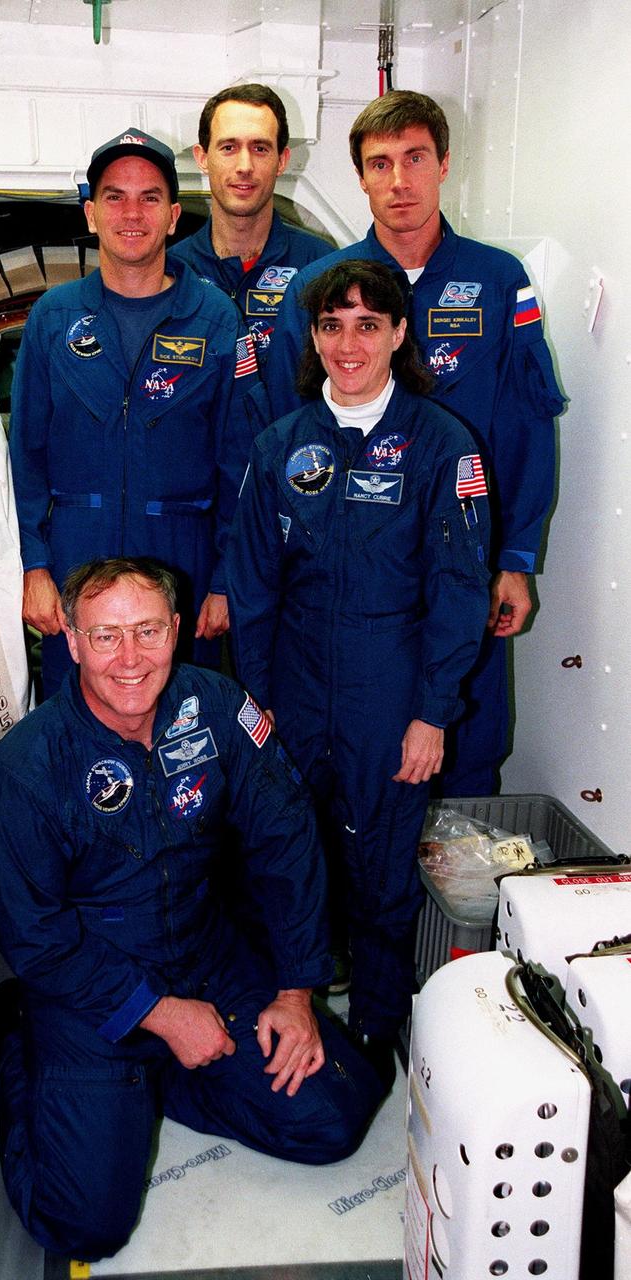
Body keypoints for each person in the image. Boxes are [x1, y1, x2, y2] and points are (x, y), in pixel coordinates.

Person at [0, 556, 385, 1261]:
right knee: (85, 1226)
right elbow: (36, 938)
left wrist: (294, 990)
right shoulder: (26, 766)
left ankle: (157, 1078)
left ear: (176, 629)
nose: (129, 660)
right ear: (70, 641)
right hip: (88, 984)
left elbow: (285, 840)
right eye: (105, 637)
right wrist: (158, 1014)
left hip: (204, 955)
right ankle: (23, 1049)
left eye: (147, 631)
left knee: (333, 1118)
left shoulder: (219, 708)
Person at [226, 261, 491, 1071]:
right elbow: (252, 592)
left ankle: (377, 1029)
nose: (349, 343)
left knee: (382, 872)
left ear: (399, 333)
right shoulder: (280, 447)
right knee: (284, 855)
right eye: (332, 325)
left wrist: (432, 713)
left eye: (368, 324)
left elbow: (459, 590)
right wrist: (254, 708)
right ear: (312, 337)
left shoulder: (442, 444)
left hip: (393, 692)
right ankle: (291, 1011)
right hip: (295, 689)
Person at [265, 91, 565, 795]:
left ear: (443, 165)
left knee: (467, 738)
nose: (398, 181)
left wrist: (515, 560)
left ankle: (457, 902)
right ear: (359, 178)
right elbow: (280, 437)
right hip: (353, 572)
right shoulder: (318, 288)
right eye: (379, 164)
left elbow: (526, 428)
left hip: (465, 563)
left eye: (414, 159)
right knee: (358, 759)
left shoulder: (497, 281)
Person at [9, 127, 258, 696]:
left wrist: (224, 580)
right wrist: (33, 566)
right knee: (74, 725)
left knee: (182, 728)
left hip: (182, 565)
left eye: (149, 197)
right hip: (76, 559)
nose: (132, 212)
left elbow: (239, 463)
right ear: (91, 214)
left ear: (173, 216)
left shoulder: (215, 319)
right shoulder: (54, 317)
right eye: (115, 197)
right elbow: (24, 457)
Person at [168, 83, 330, 367]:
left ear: (281, 160)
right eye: (229, 147)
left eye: (260, 148)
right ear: (203, 158)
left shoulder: (322, 267)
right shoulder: (172, 272)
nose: (245, 165)